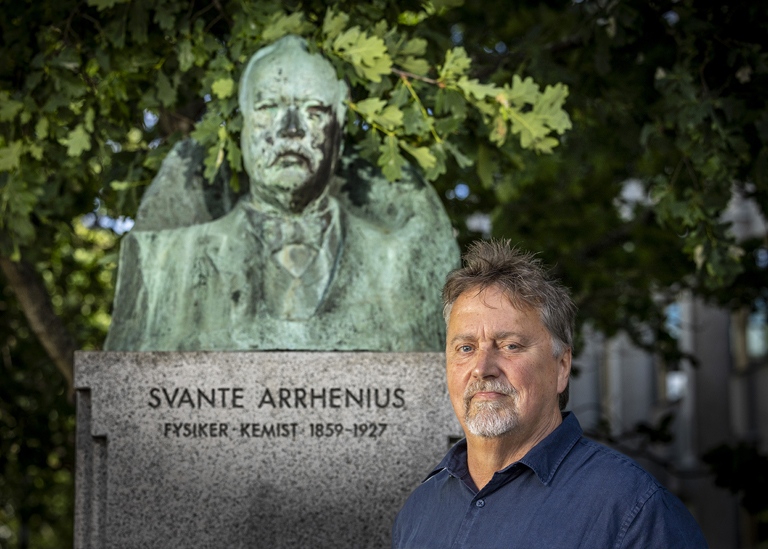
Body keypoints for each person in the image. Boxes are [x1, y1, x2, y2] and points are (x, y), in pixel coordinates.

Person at [104, 35, 458, 351]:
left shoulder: (401, 267)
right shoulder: (167, 264)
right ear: (242, 126)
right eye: (268, 108)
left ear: (339, 131)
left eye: (313, 111)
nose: (291, 129)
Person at [392, 240, 708, 548]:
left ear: (561, 367)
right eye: (465, 348)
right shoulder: (421, 508)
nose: (482, 368)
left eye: (510, 346)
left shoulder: (633, 510)